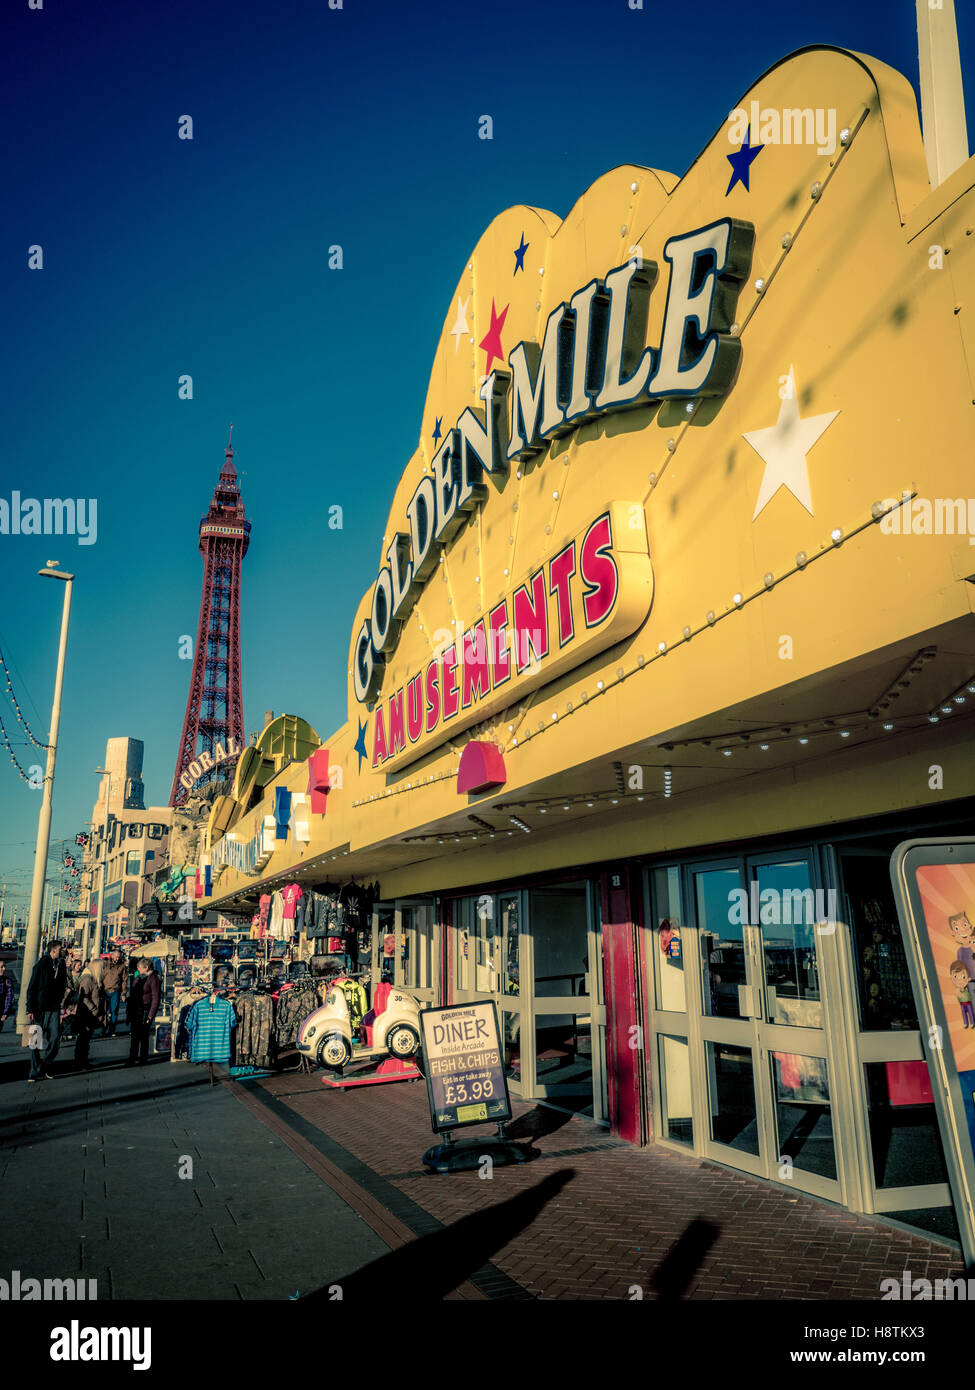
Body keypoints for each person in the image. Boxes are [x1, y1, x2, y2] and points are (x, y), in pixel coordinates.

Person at [25, 939, 68, 1082]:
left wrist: (60, 998)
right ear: (53, 950)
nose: (62, 951)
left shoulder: (61, 965)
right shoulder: (40, 965)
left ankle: (47, 1064)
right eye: (60, 949)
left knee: (55, 1038)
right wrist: (29, 1008)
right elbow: (31, 987)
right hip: (39, 1008)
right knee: (35, 1041)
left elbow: (63, 983)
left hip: (54, 1008)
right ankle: (34, 1071)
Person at [125, 959, 160, 1066]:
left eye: (140, 967)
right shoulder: (139, 977)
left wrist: (151, 1014)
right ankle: (132, 1057)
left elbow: (156, 997)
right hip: (136, 1008)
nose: (138, 969)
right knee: (134, 1035)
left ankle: (143, 1058)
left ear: (146, 968)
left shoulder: (153, 978)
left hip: (145, 1009)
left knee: (144, 1036)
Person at [74, 959, 104, 1070]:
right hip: (86, 1014)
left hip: (91, 1015)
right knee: (83, 1039)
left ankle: (83, 1060)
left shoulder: (94, 979)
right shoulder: (87, 979)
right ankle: (79, 1062)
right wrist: (94, 1008)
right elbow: (83, 997)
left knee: (85, 1039)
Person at [101, 948, 127, 1038]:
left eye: (119, 957)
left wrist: (124, 993)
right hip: (105, 990)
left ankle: (112, 1030)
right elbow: (101, 976)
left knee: (114, 1011)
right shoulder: (105, 964)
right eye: (116, 957)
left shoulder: (122, 966)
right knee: (104, 1011)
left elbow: (124, 980)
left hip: (115, 991)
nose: (117, 958)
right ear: (112, 956)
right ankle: (103, 1029)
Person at [0, 960, 14, 1032]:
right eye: (1, 967)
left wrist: (5, 1013)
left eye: (4, 966)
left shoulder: (7, 981)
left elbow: (10, 998)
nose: (4, 969)